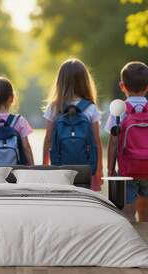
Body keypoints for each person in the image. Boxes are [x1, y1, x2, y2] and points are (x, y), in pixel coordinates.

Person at [105, 61, 148, 222]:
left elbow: (113, 142)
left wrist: (110, 169)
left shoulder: (118, 109)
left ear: (122, 86)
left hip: (127, 169)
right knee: (145, 210)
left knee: (128, 212)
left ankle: (132, 245)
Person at [43, 58, 103, 191]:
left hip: (60, 169)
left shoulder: (54, 107)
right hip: (86, 168)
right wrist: (99, 169)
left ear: (60, 81)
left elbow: (48, 140)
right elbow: (96, 141)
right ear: (85, 81)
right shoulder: (90, 108)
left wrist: (45, 166)